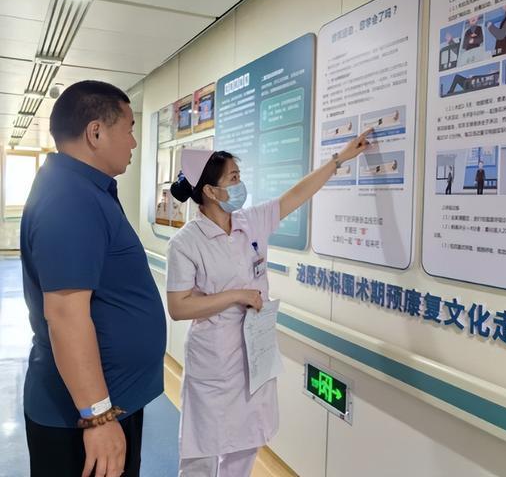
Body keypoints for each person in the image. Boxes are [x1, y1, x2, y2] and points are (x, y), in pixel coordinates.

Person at [166, 130, 372, 477]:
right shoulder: (186, 243)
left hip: (255, 353)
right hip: (214, 359)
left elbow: (297, 195)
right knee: (202, 450)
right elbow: (179, 307)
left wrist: (339, 159)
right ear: (211, 192)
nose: (240, 185)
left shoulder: (251, 221)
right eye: (233, 178)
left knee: (246, 443)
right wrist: (236, 295)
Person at [20, 81, 167, 477]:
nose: (133, 142)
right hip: (83, 416)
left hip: (104, 401)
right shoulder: (70, 198)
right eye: (130, 128)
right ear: (96, 132)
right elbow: (66, 315)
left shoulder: (83, 190)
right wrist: (98, 417)